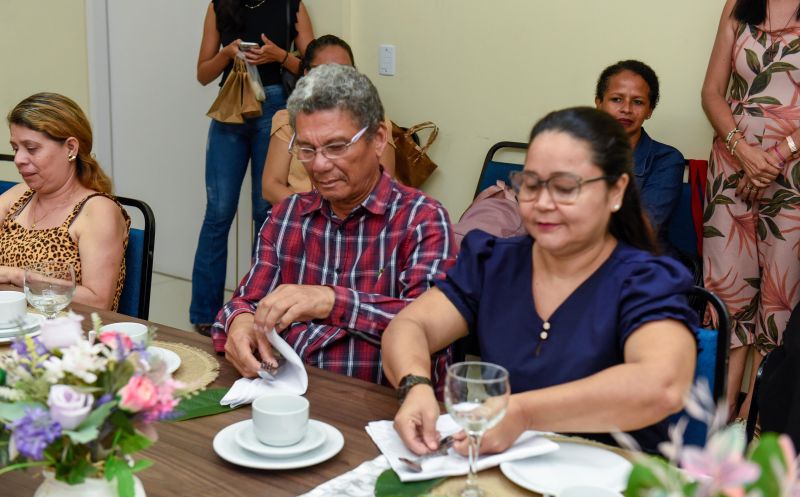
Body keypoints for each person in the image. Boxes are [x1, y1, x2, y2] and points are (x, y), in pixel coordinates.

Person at [383, 107, 697, 455]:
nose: (544, 203)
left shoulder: (646, 279)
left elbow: (661, 386)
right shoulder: (493, 262)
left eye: (565, 188)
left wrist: (523, 412)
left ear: (615, 191)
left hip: (614, 478)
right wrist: (415, 385)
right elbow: (410, 326)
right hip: (508, 468)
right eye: (531, 185)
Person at [212, 64, 455, 385]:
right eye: (306, 149)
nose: (320, 165)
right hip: (289, 395)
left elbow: (429, 330)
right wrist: (240, 322)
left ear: (378, 139)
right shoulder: (287, 217)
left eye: (336, 147)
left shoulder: (422, 220)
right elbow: (245, 301)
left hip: (383, 402)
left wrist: (330, 301)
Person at [701, 0, 800, 420]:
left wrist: (778, 154)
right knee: (726, 290)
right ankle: (716, 420)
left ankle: (756, 417)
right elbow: (711, 93)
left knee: (780, 294)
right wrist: (743, 151)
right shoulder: (738, 5)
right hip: (731, 167)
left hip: (793, 174)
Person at [191, 0, 314, 336]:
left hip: (274, 105)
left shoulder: (291, 5)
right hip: (231, 105)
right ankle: (205, 314)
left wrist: (280, 56)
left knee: (266, 212)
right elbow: (203, 74)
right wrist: (227, 54)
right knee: (217, 214)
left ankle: (257, 307)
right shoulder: (219, 6)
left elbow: (315, 69)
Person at [0, 92, 130, 310]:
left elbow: (99, 301)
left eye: (31, 148)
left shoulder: (97, 211)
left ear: (71, 148)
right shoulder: (19, 196)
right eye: (15, 148)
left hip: (66, 328)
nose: (18, 159)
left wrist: (15, 276)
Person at [262, 34, 396, 205]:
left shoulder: (374, 123)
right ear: (307, 74)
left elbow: (383, 188)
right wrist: (314, 214)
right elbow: (271, 186)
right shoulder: (288, 120)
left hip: (357, 217)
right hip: (301, 214)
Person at [595, 59, 685, 239]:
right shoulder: (576, 151)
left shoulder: (666, 160)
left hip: (637, 254)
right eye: (616, 99)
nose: (626, 109)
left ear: (649, 110)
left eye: (637, 102)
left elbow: (642, 229)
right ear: (599, 103)